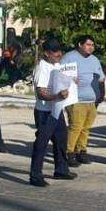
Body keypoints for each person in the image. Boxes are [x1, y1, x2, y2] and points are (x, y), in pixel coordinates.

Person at [29, 37, 77, 187]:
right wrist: (56, 96)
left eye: (59, 51)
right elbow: (41, 93)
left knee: (61, 139)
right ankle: (35, 175)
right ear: (46, 53)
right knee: (41, 143)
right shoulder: (42, 68)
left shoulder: (56, 65)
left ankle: (61, 169)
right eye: (54, 52)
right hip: (44, 111)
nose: (58, 54)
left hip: (56, 109)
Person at [63, 34, 105, 165]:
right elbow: (61, 77)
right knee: (75, 127)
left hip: (91, 100)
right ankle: (69, 152)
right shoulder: (69, 57)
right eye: (88, 44)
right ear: (80, 45)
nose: (91, 47)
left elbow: (101, 78)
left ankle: (81, 150)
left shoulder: (94, 60)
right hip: (76, 100)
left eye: (92, 45)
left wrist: (101, 95)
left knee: (86, 128)